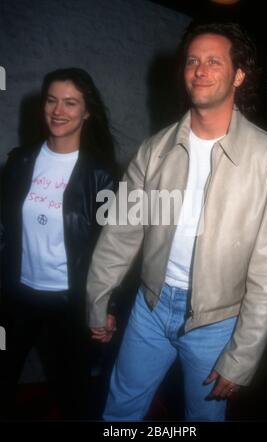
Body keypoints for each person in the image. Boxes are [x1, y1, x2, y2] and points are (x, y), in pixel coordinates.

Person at [87, 22, 267, 421]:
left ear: (238, 75)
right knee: (119, 411)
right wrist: (97, 299)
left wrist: (242, 356)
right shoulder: (154, 150)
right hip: (150, 306)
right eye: (192, 61)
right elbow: (121, 232)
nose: (200, 69)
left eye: (213, 61)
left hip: (218, 321)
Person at [0, 67, 116, 419]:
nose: (58, 110)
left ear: (87, 112)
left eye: (70, 103)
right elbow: (5, 228)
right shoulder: (21, 160)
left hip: (71, 298)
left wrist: (109, 306)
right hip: (18, 293)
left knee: (74, 389)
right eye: (52, 100)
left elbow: (112, 246)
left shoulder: (103, 174)